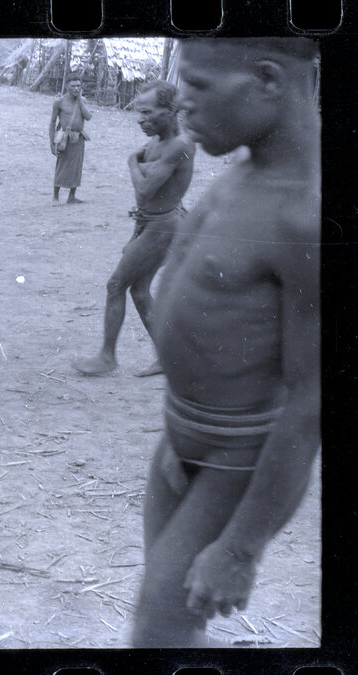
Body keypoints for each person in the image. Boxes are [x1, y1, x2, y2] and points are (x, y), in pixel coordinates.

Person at [130, 38, 321, 647]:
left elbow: (311, 401)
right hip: (178, 439)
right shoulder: (242, 173)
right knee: (169, 621)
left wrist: (241, 548)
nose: (181, 103)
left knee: (156, 632)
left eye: (199, 85)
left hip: (233, 461)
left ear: (267, 79)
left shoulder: (306, 217)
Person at [73, 80, 195, 376]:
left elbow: (145, 187)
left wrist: (131, 162)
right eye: (138, 112)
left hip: (163, 227)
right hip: (150, 223)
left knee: (116, 285)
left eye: (147, 112)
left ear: (170, 111)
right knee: (139, 291)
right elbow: (147, 193)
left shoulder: (179, 145)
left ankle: (107, 357)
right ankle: (168, 357)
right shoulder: (156, 143)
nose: (140, 119)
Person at [49, 73, 93, 204]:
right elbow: (52, 123)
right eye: (73, 86)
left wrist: (80, 101)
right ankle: (55, 197)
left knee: (76, 167)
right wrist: (51, 143)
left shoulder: (83, 101)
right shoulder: (59, 102)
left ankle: (71, 197)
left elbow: (88, 117)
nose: (76, 88)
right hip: (64, 138)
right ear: (67, 86)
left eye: (78, 86)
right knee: (61, 166)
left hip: (78, 138)